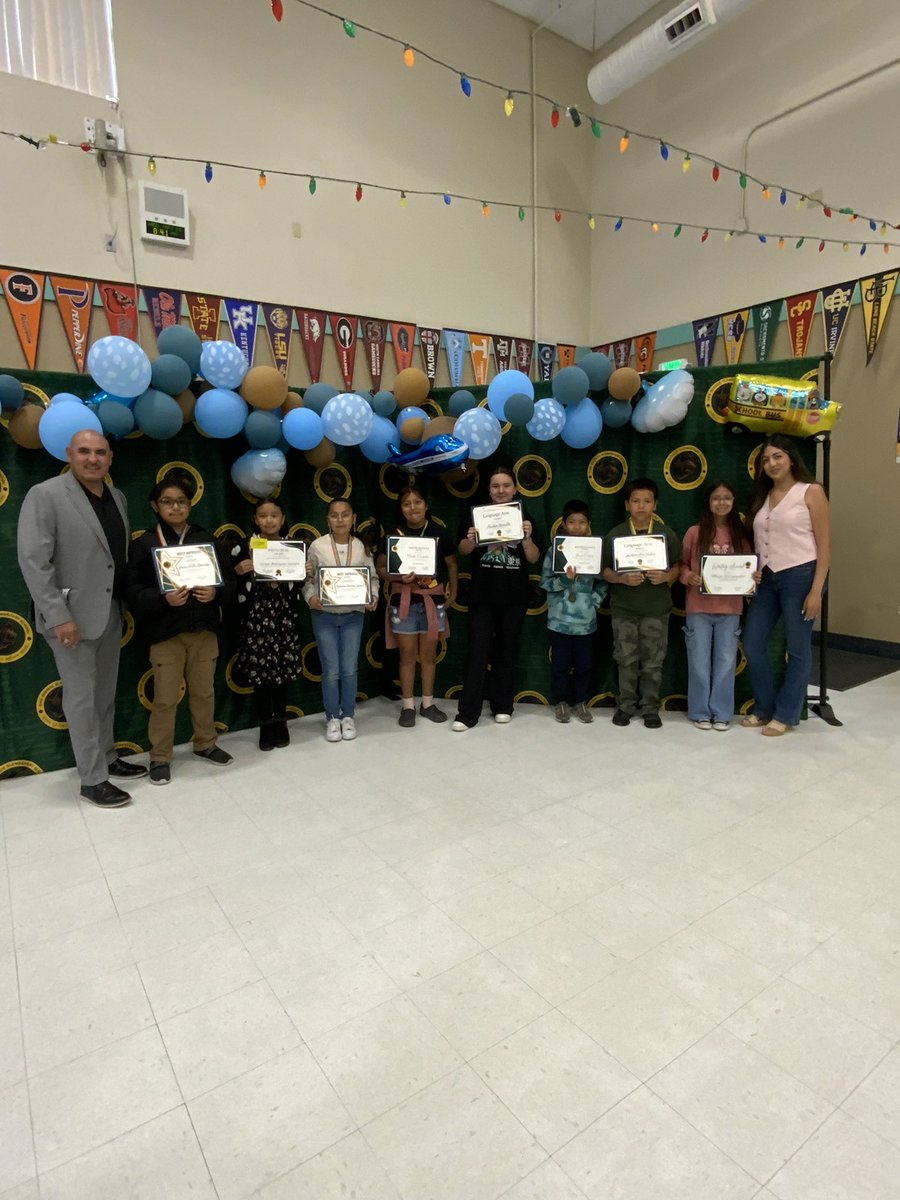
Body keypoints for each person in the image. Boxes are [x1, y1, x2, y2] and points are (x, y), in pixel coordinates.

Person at [16, 429, 146, 807]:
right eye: (85, 452)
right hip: (69, 619)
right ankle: (92, 780)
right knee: (81, 700)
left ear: (110, 459)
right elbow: (34, 561)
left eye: (101, 452)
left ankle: (105, 758)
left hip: (108, 613)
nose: (93, 459)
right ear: (69, 454)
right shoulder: (45, 495)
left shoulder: (117, 497)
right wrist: (58, 616)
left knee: (104, 694)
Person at [124, 470, 237, 784]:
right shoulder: (144, 544)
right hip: (166, 635)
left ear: (190, 505)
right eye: (167, 502)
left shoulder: (206, 539)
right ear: (155, 506)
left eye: (181, 502)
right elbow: (131, 591)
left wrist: (215, 593)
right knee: (164, 699)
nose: (175, 508)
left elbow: (229, 584)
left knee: (204, 693)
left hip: (203, 631)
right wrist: (163, 600)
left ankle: (205, 743)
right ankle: (160, 756)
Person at [741, 434, 830, 736]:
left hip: (801, 576)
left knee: (798, 649)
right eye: (766, 459)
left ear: (791, 458)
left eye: (777, 456)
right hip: (767, 580)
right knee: (752, 643)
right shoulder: (762, 497)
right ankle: (764, 707)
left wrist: (817, 589)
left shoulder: (811, 491)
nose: (771, 463)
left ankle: (787, 713)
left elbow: (825, 544)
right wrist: (752, 569)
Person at [453, 464, 540, 730]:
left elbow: (534, 557)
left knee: (506, 650)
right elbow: (463, 550)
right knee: (477, 652)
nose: (501, 490)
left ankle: (503, 705)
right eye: (495, 486)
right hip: (482, 595)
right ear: (489, 490)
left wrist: (526, 539)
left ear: (514, 488)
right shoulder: (477, 516)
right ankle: (467, 714)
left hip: (514, 596)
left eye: (506, 485)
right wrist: (471, 538)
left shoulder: (526, 518)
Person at [601, 477, 682, 728]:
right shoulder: (616, 534)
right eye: (635, 501)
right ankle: (625, 706)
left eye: (647, 501)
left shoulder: (666, 534)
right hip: (624, 608)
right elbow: (604, 571)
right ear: (627, 505)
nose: (641, 506)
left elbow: (679, 566)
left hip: (656, 609)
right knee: (625, 659)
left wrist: (667, 576)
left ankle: (650, 708)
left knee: (653, 661)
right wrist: (621, 579)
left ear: (655, 505)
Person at [375, 485, 458, 727]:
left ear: (426, 505)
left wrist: (454, 590)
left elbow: (452, 564)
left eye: (418, 502)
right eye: (407, 503)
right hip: (404, 602)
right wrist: (399, 578)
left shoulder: (439, 532)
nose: (413, 507)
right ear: (401, 509)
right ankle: (408, 705)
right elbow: (380, 569)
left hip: (433, 600)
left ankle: (428, 704)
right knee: (407, 656)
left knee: (429, 656)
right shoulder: (393, 535)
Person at [303, 497, 377, 742]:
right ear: (328, 519)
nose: (340, 519)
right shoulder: (317, 546)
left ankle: (348, 715)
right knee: (331, 670)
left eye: (345, 514)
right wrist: (311, 598)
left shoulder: (361, 547)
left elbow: (373, 579)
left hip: (353, 616)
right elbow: (307, 580)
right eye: (334, 515)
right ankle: (332, 717)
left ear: (353, 518)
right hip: (324, 615)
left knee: (349, 669)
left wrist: (373, 596)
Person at [680, 480, 752, 731]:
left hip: (730, 608)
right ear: (708, 502)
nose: (721, 503)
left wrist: (752, 578)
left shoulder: (741, 535)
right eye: (716, 498)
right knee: (698, 663)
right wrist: (687, 576)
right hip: (698, 608)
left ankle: (722, 713)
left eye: (727, 498)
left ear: (734, 503)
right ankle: (700, 712)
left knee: (725, 663)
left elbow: (748, 568)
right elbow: (681, 565)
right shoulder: (694, 532)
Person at [232, 498, 303, 751]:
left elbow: (299, 585)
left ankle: (281, 721)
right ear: (255, 519)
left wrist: (303, 571)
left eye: (274, 515)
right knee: (260, 674)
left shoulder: (293, 548)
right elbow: (230, 583)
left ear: (283, 519)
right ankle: (265, 724)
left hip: (283, 616)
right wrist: (237, 571)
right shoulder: (243, 547)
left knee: (281, 672)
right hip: (256, 618)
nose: (269, 520)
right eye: (263, 515)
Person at [540, 499, 607, 724]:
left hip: (586, 623)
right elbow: (545, 583)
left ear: (588, 525)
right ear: (564, 524)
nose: (577, 527)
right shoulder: (554, 550)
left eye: (582, 522)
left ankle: (580, 701)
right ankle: (560, 702)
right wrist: (562, 580)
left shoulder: (594, 550)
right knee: (559, 666)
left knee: (584, 665)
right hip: (559, 621)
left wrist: (594, 602)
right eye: (572, 522)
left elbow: (602, 582)